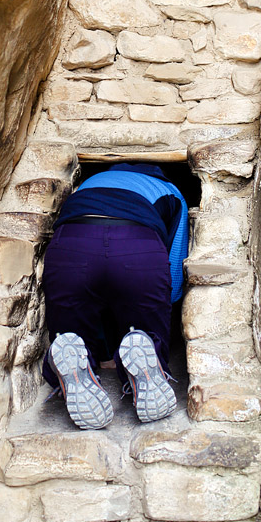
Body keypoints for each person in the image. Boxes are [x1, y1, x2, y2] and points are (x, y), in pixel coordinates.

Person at [41, 162, 189, 429]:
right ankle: (146, 354)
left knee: (70, 330)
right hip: (136, 243)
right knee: (147, 328)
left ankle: (73, 358)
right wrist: (166, 311)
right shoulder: (170, 190)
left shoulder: (89, 183)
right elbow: (175, 267)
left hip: (72, 244)